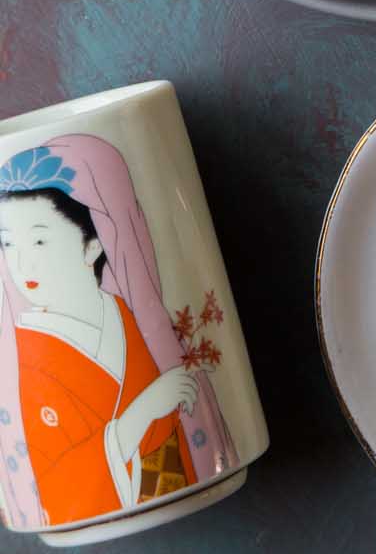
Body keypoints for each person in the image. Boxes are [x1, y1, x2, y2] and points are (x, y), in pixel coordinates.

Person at [0, 136, 235, 530]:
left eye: (39, 240)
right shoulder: (27, 356)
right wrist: (140, 415)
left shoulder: (129, 317)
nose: (21, 263)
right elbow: (57, 476)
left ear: (93, 244)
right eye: (8, 244)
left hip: (190, 482)